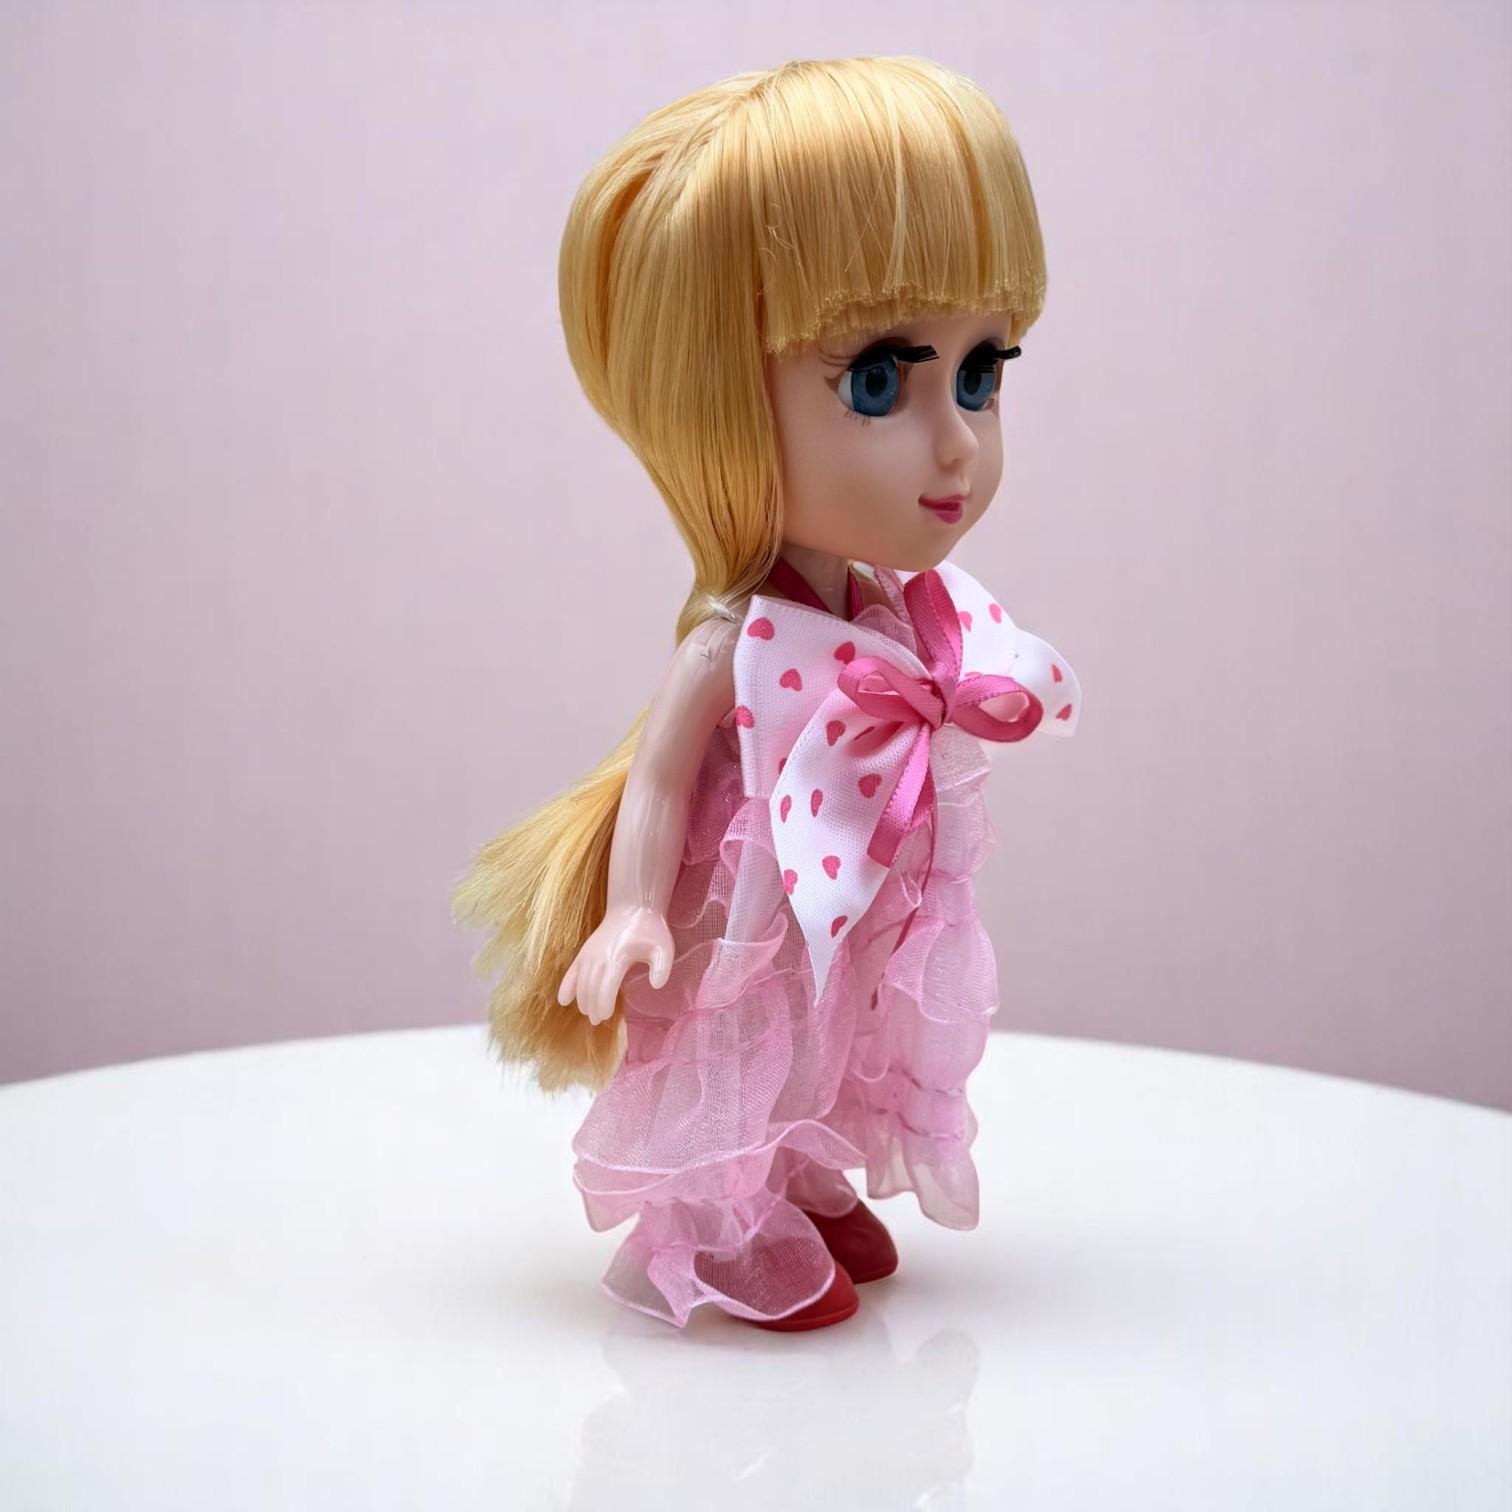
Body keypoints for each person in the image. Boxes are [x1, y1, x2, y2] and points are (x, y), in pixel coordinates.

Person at [452, 54, 1080, 1331]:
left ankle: (795, 1166)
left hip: (846, 885)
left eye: (982, 373)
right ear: (719, 403)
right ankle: (711, 1220)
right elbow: (660, 780)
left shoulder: (894, 610)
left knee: (832, 1026)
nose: (958, 442)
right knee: (740, 1035)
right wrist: (636, 910)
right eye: (879, 382)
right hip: (740, 898)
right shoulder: (734, 635)